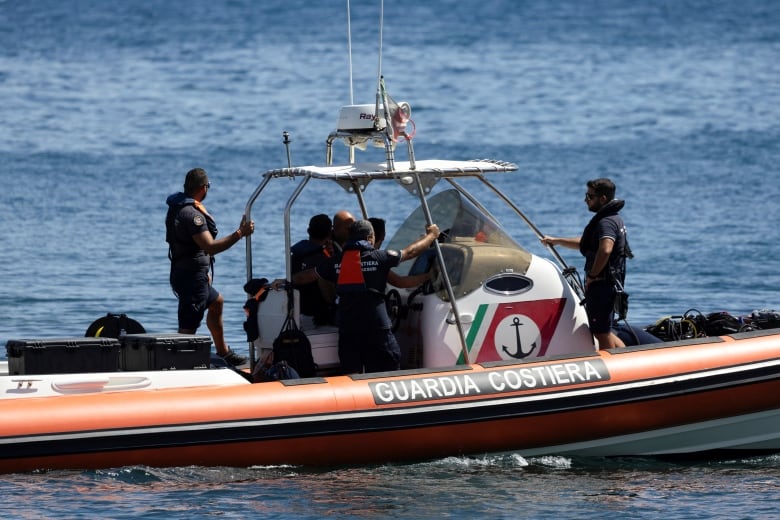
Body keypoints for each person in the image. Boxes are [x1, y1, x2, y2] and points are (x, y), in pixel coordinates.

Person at [292, 219, 440, 374]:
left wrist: (285, 281)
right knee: (386, 373)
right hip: (377, 329)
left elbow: (305, 276)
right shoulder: (380, 258)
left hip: (349, 331)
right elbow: (409, 253)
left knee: (351, 375)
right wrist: (431, 236)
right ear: (370, 238)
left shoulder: (334, 262)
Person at [165, 167, 255, 366]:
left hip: (189, 272)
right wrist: (240, 233)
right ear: (204, 188)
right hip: (191, 277)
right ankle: (179, 365)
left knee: (216, 302)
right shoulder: (192, 215)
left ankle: (223, 352)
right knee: (188, 327)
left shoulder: (177, 207)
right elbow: (210, 247)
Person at [540, 178, 630, 349]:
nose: (585, 200)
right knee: (604, 330)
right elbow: (587, 244)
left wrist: (593, 275)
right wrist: (558, 241)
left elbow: (605, 249)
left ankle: (612, 368)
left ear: (603, 199)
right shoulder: (613, 219)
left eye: (590, 196)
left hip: (602, 284)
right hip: (606, 284)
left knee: (601, 333)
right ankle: (626, 358)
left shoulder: (606, 222)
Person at [290, 214, 336, 325]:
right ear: (330, 233)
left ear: (308, 231)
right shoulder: (328, 257)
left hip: (298, 312)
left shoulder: (296, 253)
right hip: (321, 315)